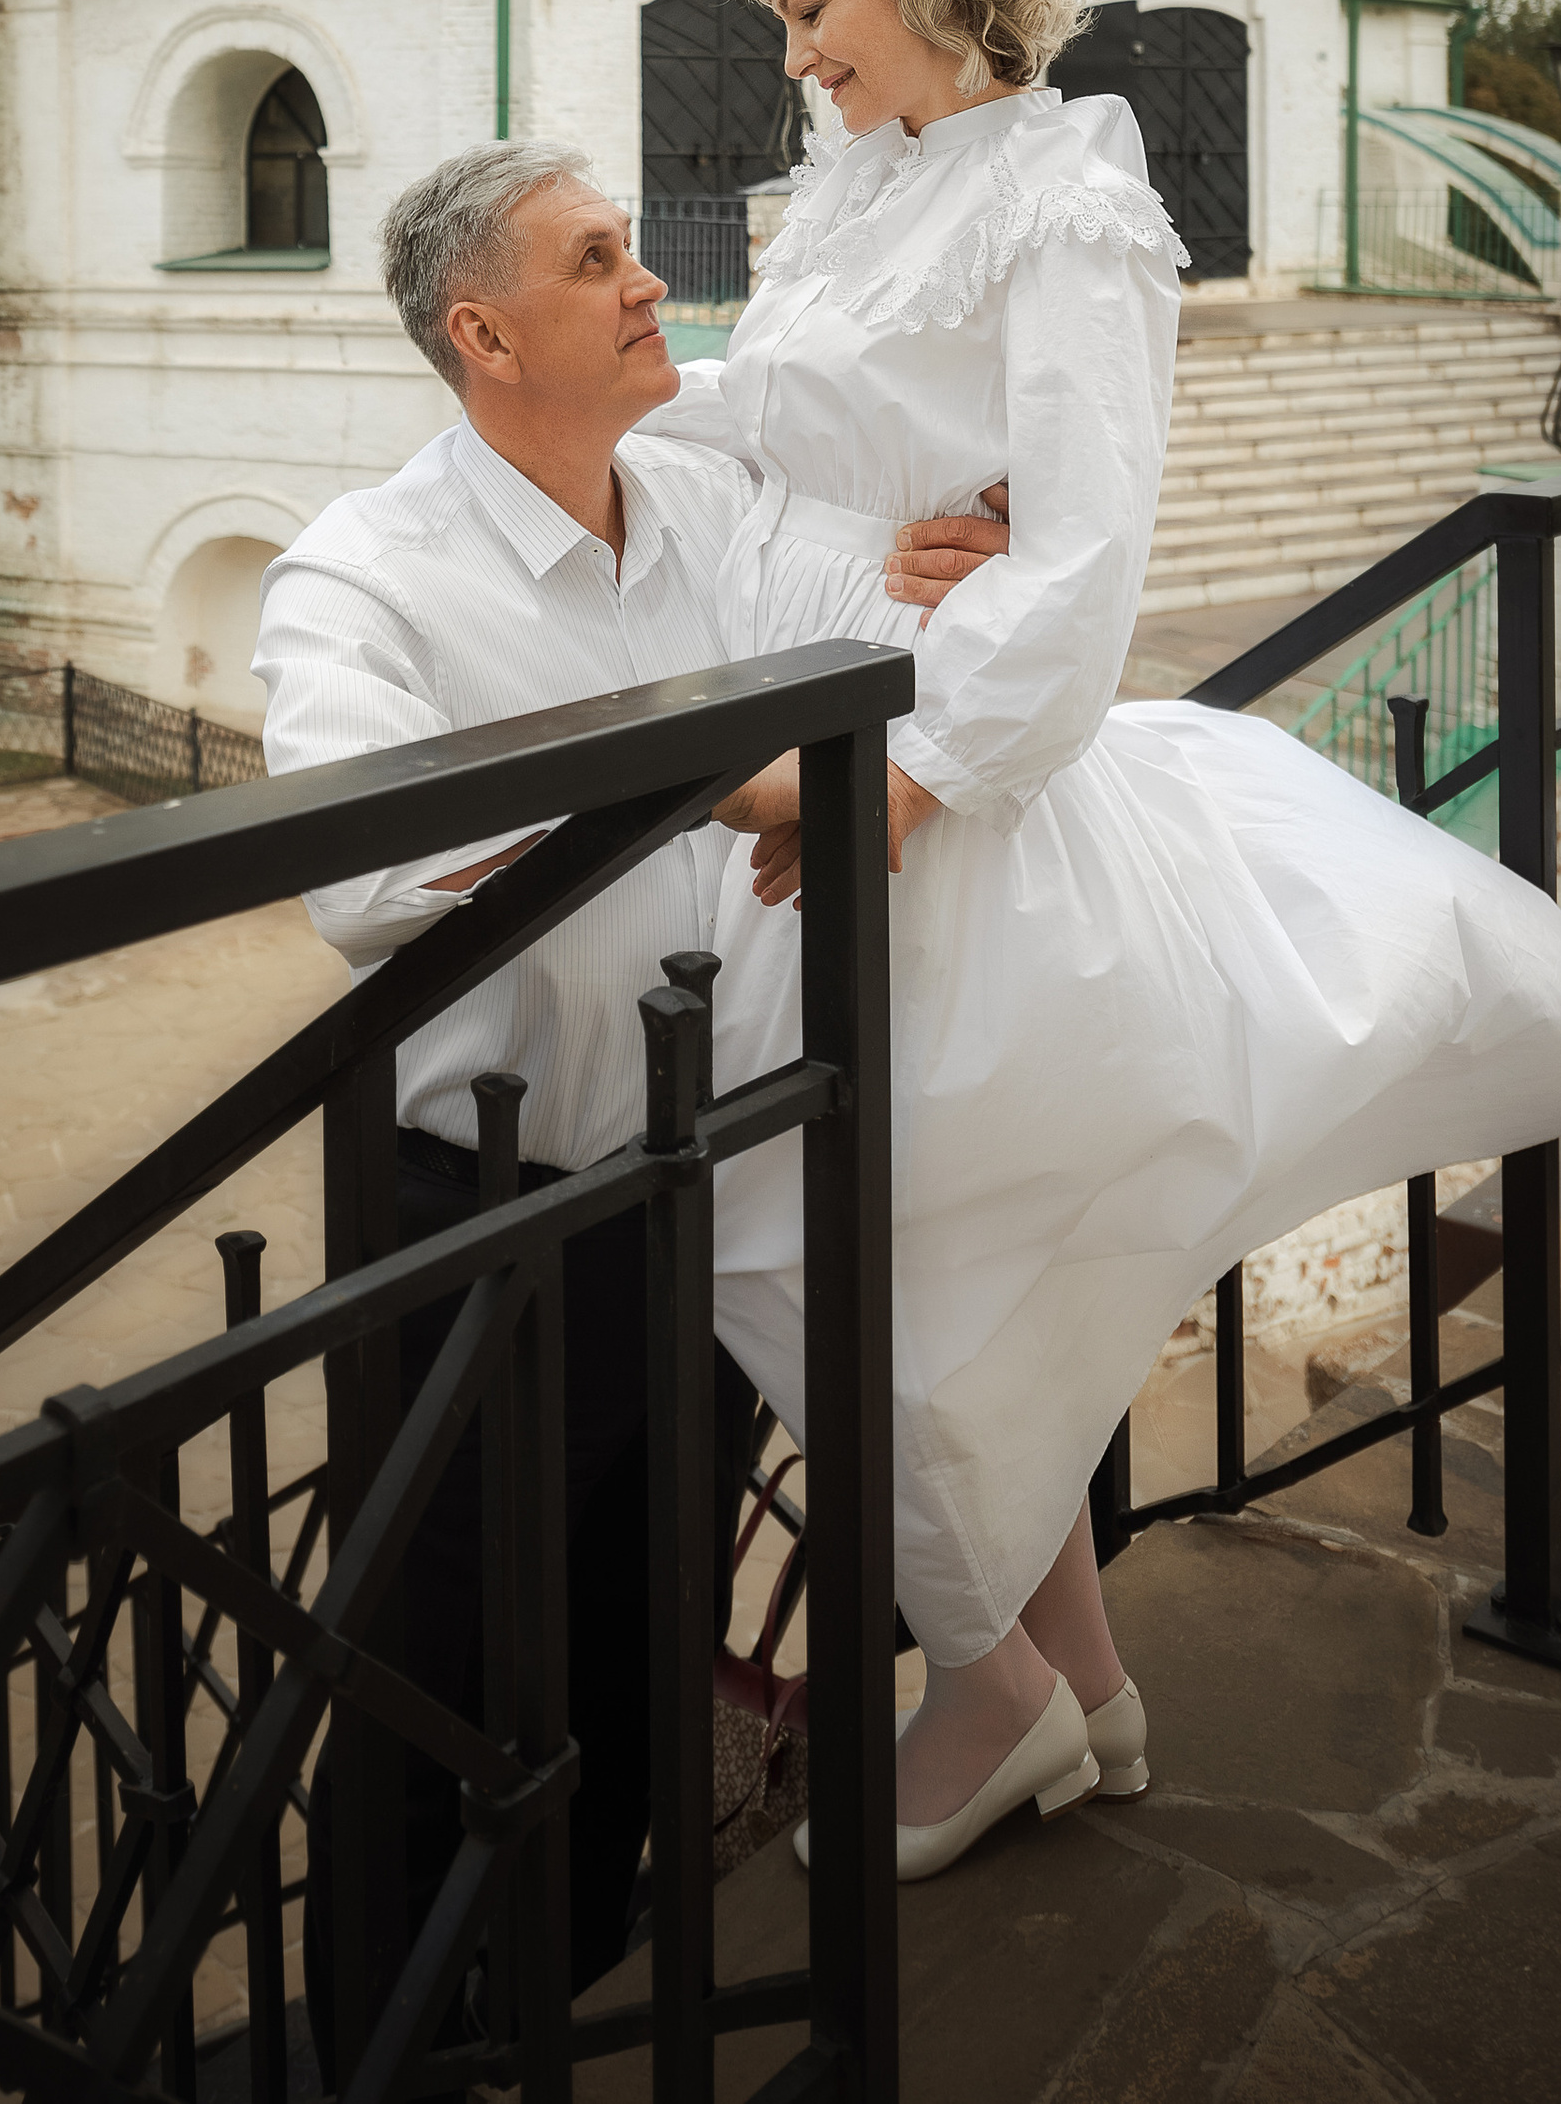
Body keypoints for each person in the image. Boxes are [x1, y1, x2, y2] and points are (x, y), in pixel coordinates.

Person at [646, 0, 1561, 1880]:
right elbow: (764, 427)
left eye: (811, 6)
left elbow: (1092, 533)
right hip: (815, 704)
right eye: (778, 16)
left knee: (868, 1249)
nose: (792, 53)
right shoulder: (849, 184)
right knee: (912, 1246)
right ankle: (1080, 1678)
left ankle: (989, 1689)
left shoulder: (1065, 196)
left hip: (928, 773)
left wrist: (912, 785)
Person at [253, 142, 1006, 2046]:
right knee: (436, 1665)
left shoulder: (698, 501)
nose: (651, 279)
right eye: (601, 261)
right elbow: (359, 878)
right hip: (475, 1213)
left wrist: (957, 569)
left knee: (641, 1627)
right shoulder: (359, 572)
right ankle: (394, 2038)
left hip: (693, 1171)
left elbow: (875, 605)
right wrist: (706, 780)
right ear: (484, 331)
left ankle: (589, 1992)